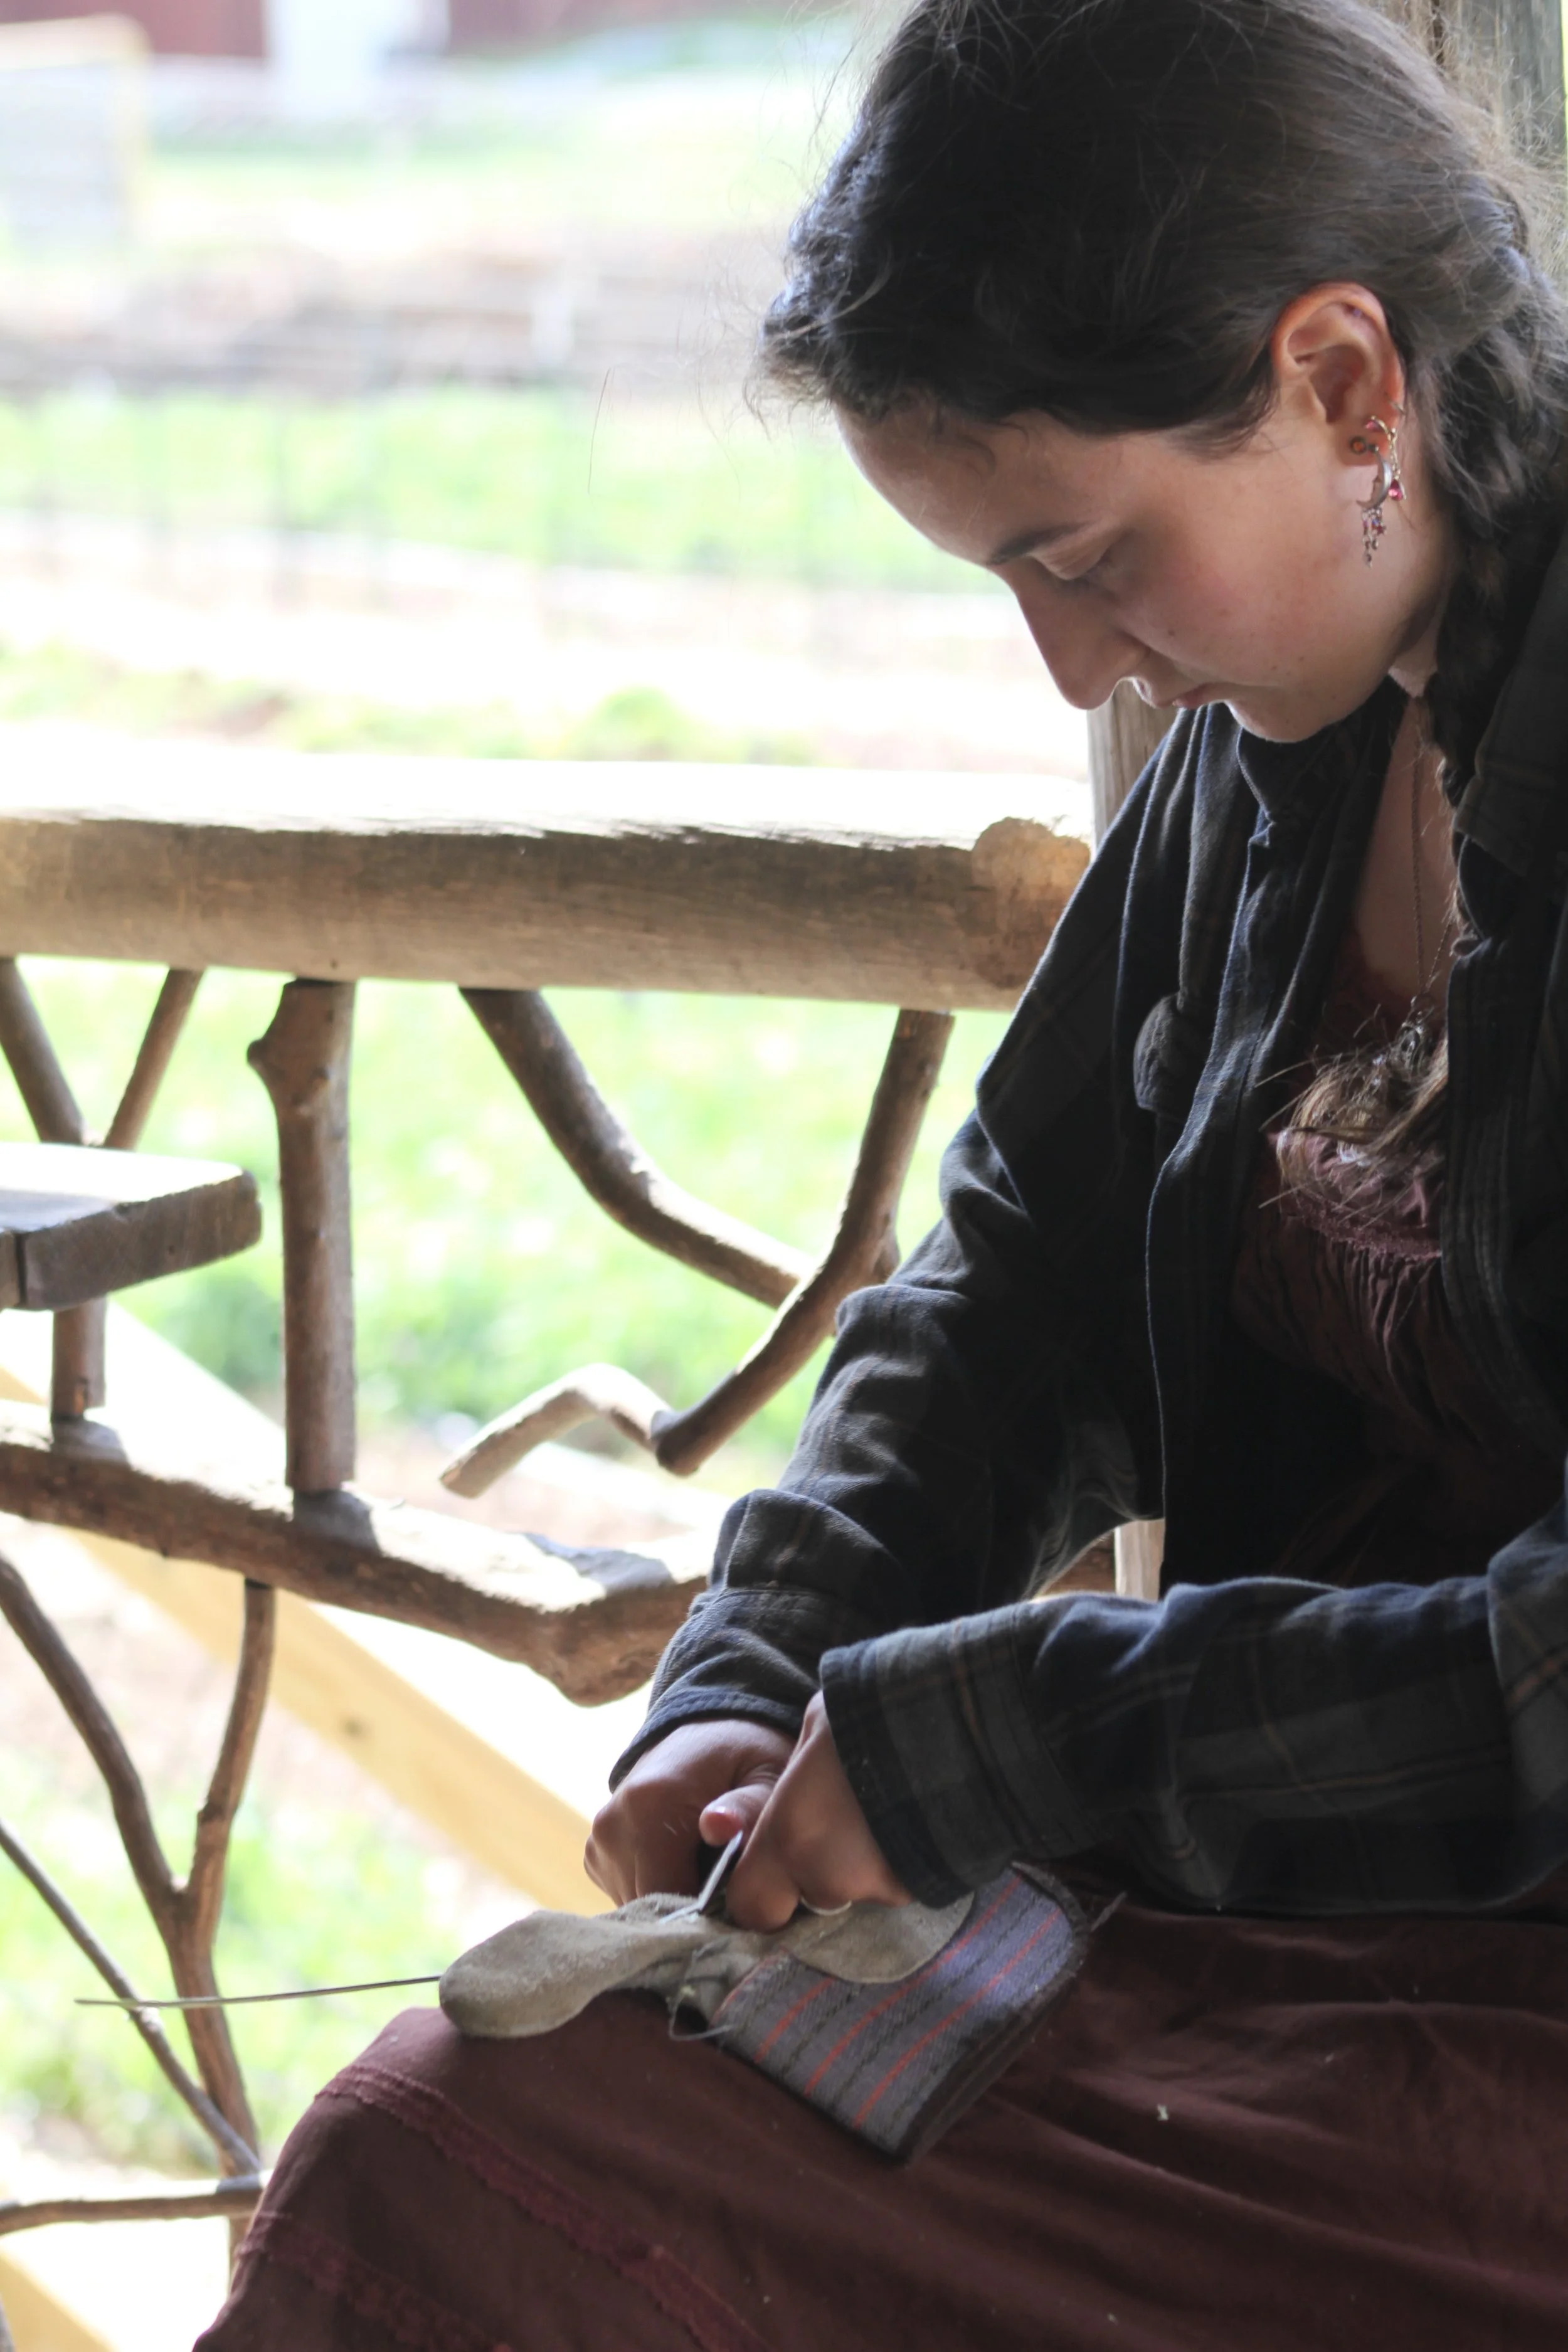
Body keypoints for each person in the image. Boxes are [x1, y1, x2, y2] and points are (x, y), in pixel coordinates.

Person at [199, 0, 1568, 2342]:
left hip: (1466, 1955)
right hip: (1270, 1887)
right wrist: (763, 1664)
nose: (1066, 673)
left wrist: (1005, 1731)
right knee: (455, 2139)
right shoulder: (1290, 740)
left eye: (1094, 554)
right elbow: (1007, 1279)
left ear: (1345, 382)